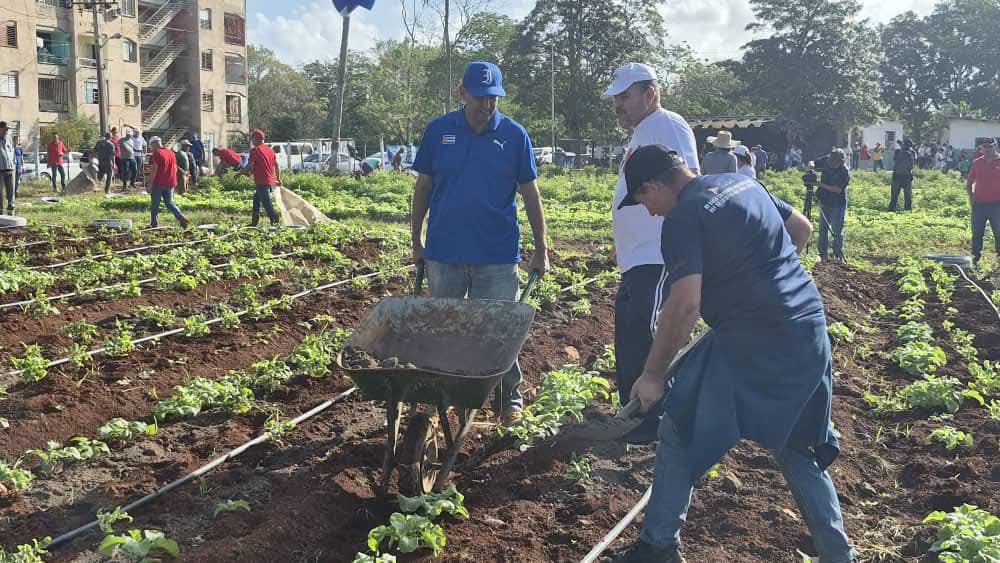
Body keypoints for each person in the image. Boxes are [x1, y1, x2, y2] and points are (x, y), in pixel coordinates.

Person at [611, 144, 855, 563]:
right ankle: (839, 555)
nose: (649, 212)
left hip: (753, 339)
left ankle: (657, 548)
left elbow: (684, 304)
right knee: (796, 443)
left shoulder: (683, 217)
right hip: (807, 325)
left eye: (643, 200)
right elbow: (801, 228)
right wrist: (764, 282)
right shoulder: (742, 182)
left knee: (679, 430)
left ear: (655, 185)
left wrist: (652, 375)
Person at [411, 60, 550, 425]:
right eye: (480, 98)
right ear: (463, 93)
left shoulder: (515, 135)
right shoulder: (439, 131)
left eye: (494, 98)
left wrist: (542, 247)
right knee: (447, 328)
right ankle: (451, 394)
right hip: (444, 251)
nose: (488, 106)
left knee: (500, 329)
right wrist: (415, 240)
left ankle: (508, 398)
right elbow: (423, 187)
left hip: (496, 253)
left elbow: (530, 194)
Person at [603, 61, 701, 443]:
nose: (619, 105)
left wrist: (680, 243)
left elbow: (687, 185)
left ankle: (651, 427)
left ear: (651, 93)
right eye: (617, 97)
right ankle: (635, 423)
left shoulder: (668, 125)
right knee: (630, 334)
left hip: (659, 255)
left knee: (646, 334)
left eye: (625, 96)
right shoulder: (645, 131)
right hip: (639, 255)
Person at [235, 129, 281, 227]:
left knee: (267, 204)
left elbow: (249, 165)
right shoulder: (270, 150)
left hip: (262, 181)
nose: (251, 141)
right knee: (256, 200)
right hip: (270, 181)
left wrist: (239, 174)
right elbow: (276, 166)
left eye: (252, 139)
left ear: (257, 138)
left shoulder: (255, 150)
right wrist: (279, 179)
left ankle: (275, 221)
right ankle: (254, 223)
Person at [812, 149, 850, 261]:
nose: (832, 163)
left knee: (837, 231)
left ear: (840, 162)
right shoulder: (826, 160)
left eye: (835, 162)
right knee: (823, 229)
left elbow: (837, 189)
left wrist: (819, 184)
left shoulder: (845, 172)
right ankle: (822, 254)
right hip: (824, 201)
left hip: (838, 203)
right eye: (831, 161)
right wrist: (811, 167)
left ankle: (838, 256)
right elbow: (813, 162)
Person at [967, 137, 1000, 266]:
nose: (987, 149)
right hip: (979, 204)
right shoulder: (977, 162)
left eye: (989, 146)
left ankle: (998, 260)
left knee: (998, 232)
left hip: (997, 204)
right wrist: (971, 198)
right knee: (977, 233)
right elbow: (969, 182)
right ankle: (975, 258)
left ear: (995, 146)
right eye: (984, 147)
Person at [147, 137, 189, 228]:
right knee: (169, 203)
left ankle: (154, 224)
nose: (152, 148)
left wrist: (150, 184)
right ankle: (181, 218)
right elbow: (175, 167)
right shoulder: (171, 152)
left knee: (155, 204)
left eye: (151, 146)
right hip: (170, 183)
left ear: (154, 143)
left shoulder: (157, 153)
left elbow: (154, 169)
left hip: (158, 182)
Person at [890, 139, 916, 212]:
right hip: (907, 176)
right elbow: (914, 161)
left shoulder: (898, 152)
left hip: (897, 175)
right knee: (908, 196)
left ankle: (891, 210)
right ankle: (908, 210)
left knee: (894, 196)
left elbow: (895, 159)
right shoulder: (912, 152)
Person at [0, 122, 15, 214]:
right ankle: (0, 211)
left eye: (7, 129)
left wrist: (14, 163)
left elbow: (12, 150)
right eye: (5, 129)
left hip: (10, 169)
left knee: (11, 191)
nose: (6, 131)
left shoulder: (9, 138)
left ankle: (11, 208)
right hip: (0, 170)